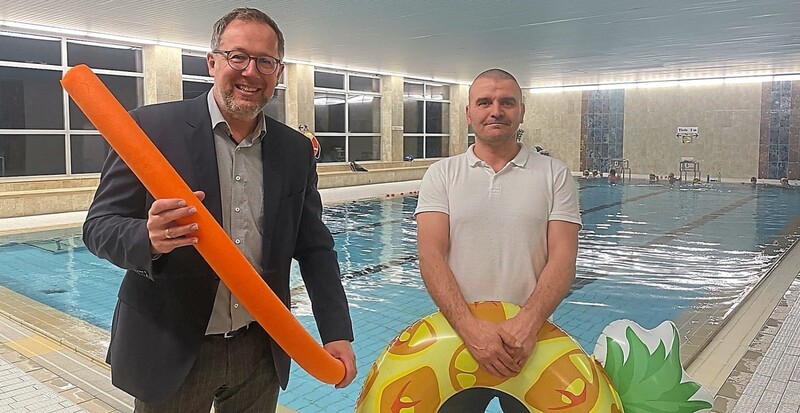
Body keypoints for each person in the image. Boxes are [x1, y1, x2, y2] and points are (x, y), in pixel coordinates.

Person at [82, 8, 356, 412]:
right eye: (238, 56)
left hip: (260, 350)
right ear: (212, 62)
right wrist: (148, 237)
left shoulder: (294, 150)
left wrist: (336, 332)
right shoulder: (149, 130)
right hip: (173, 348)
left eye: (266, 61)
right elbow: (99, 227)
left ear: (278, 72)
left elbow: (315, 246)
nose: (251, 72)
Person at [415, 69, 581, 412]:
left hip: (529, 344)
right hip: (458, 342)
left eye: (507, 102)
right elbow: (431, 255)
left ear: (521, 110)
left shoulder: (554, 175)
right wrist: (470, 329)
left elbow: (563, 259)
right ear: (468, 113)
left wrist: (527, 325)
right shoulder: (442, 175)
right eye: (485, 102)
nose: (496, 110)